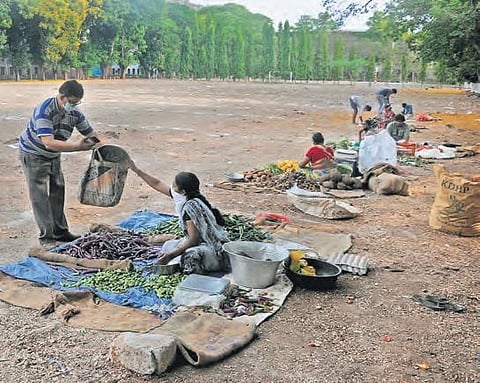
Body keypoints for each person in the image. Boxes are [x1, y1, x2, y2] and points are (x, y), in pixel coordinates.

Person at [19, 80, 101, 246]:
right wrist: (78, 146)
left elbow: (91, 133)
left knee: (58, 192)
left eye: (77, 102)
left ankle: (61, 232)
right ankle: (47, 238)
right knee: (40, 197)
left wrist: (104, 146)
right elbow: (48, 142)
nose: (74, 105)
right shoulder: (44, 111)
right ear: (62, 97)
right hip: (34, 154)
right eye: (72, 102)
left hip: (53, 155)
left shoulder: (75, 113)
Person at [129, 163, 230, 274]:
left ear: (182, 191)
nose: (172, 187)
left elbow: (194, 240)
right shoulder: (186, 196)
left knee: (190, 258)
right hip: (198, 241)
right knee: (168, 245)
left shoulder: (190, 209)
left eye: (174, 185)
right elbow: (157, 184)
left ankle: (202, 267)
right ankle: (177, 260)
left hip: (211, 246)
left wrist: (172, 255)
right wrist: (136, 170)